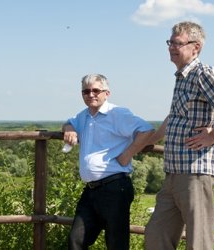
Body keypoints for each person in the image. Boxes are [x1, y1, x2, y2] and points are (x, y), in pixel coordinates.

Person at [144, 21, 214, 250]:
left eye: (177, 43)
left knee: (198, 241)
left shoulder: (203, 73)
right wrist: (147, 141)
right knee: (155, 234)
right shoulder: (182, 77)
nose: (171, 47)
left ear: (195, 47)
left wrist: (213, 136)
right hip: (174, 171)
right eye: (169, 42)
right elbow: (174, 118)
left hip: (195, 171)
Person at [62, 73, 154, 250]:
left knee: (116, 244)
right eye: (86, 91)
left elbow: (146, 130)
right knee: (76, 240)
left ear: (107, 93)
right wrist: (69, 129)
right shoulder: (84, 116)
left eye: (96, 90)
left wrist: (127, 155)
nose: (91, 95)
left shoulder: (117, 113)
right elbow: (69, 122)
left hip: (115, 187)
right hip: (91, 190)